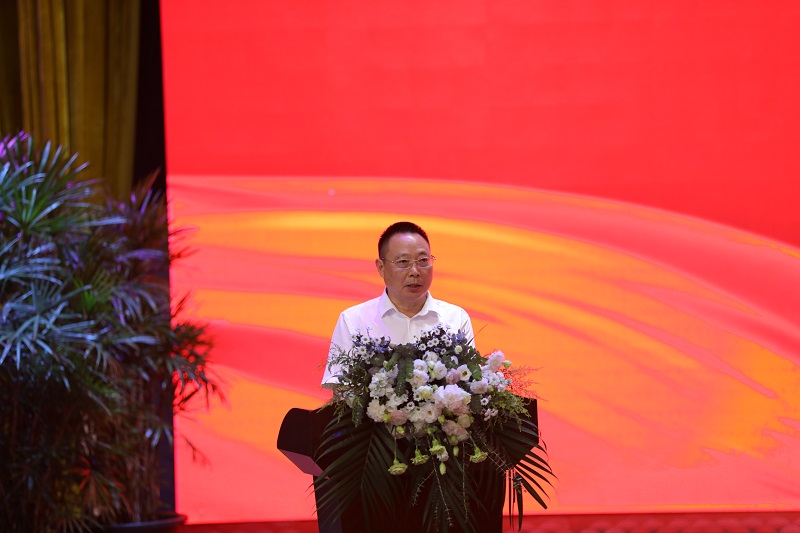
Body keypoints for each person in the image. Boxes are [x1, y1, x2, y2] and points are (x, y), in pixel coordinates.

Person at [321, 221, 475, 388]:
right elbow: (341, 389)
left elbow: (470, 385)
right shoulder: (353, 320)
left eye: (423, 260)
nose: (415, 271)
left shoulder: (456, 318)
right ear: (381, 267)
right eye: (403, 262)